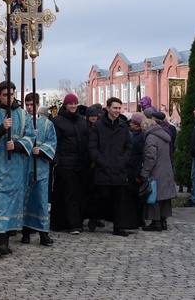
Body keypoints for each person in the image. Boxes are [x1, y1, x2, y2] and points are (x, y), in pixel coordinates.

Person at [0, 81, 35, 256]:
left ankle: (1, 242)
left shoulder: (24, 115)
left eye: (11, 94)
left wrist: (17, 145)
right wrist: (2, 128)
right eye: (4, 95)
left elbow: (31, 136)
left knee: (9, 206)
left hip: (14, 168)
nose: (8, 98)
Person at [88, 97, 132, 237]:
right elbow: (92, 147)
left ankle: (118, 227)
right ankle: (94, 217)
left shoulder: (123, 125)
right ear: (108, 108)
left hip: (119, 168)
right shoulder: (98, 126)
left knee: (119, 200)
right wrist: (101, 160)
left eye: (119, 108)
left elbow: (128, 146)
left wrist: (123, 160)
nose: (117, 111)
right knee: (101, 198)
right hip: (103, 168)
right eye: (115, 108)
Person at [50, 93, 89, 235]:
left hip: (81, 162)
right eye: (70, 104)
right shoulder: (58, 121)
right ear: (65, 105)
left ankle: (77, 221)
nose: (73, 106)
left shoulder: (81, 120)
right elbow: (56, 143)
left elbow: (86, 139)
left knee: (80, 193)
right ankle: (74, 224)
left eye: (75, 104)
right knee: (70, 194)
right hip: (66, 163)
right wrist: (58, 160)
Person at [21, 93, 56, 245]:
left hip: (40, 166)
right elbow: (16, 140)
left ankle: (43, 233)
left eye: (31, 105)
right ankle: (25, 232)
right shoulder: (21, 122)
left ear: (37, 104)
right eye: (27, 105)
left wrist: (41, 150)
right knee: (25, 200)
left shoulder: (47, 124)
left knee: (41, 200)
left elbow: (52, 141)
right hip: (24, 166)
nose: (29, 108)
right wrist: (27, 141)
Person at [140, 119, 177, 231]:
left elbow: (150, 157)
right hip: (166, 169)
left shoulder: (151, 138)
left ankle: (156, 223)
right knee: (164, 197)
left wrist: (144, 172)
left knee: (154, 195)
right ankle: (163, 221)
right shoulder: (163, 135)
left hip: (156, 171)